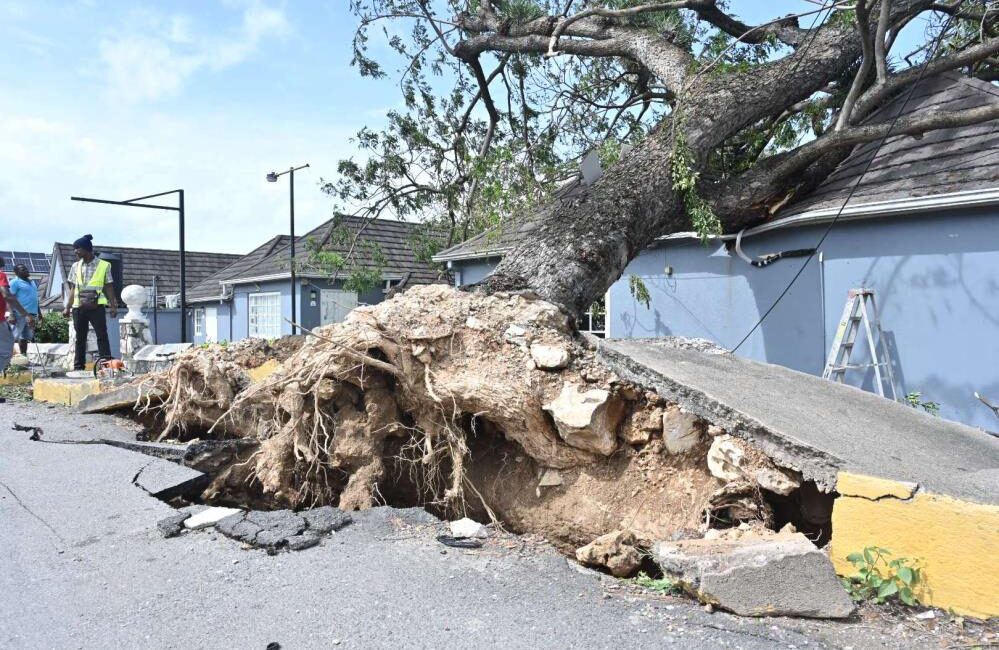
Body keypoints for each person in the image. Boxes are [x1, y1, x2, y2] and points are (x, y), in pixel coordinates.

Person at [62, 235, 118, 371]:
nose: (75, 251)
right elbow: (73, 288)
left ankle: (107, 366)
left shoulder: (104, 265)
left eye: (78, 249)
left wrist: (113, 305)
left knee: (102, 336)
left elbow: (108, 286)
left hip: (96, 306)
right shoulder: (75, 266)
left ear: (87, 249)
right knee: (80, 338)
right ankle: (78, 367)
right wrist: (67, 307)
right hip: (78, 307)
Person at [1, 256, 32, 374]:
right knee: (8, 344)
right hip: (7, 318)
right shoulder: (3, 276)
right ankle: (5, 368)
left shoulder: (31, 283)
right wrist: (24, 314)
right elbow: (8, 296)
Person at [9, 263, 41, 356]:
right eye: (23, 269)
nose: (26, 270)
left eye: (26, 269)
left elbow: (35, 298)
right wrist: (11, 314)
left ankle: (23, 359)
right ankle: (6, 362)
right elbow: (10, 298)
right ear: (16, 273)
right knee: (13, 337)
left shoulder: (32, 282)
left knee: (25, 338)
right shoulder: (14, 282)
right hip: (19, 314)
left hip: (32, 315)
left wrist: (39, 313)